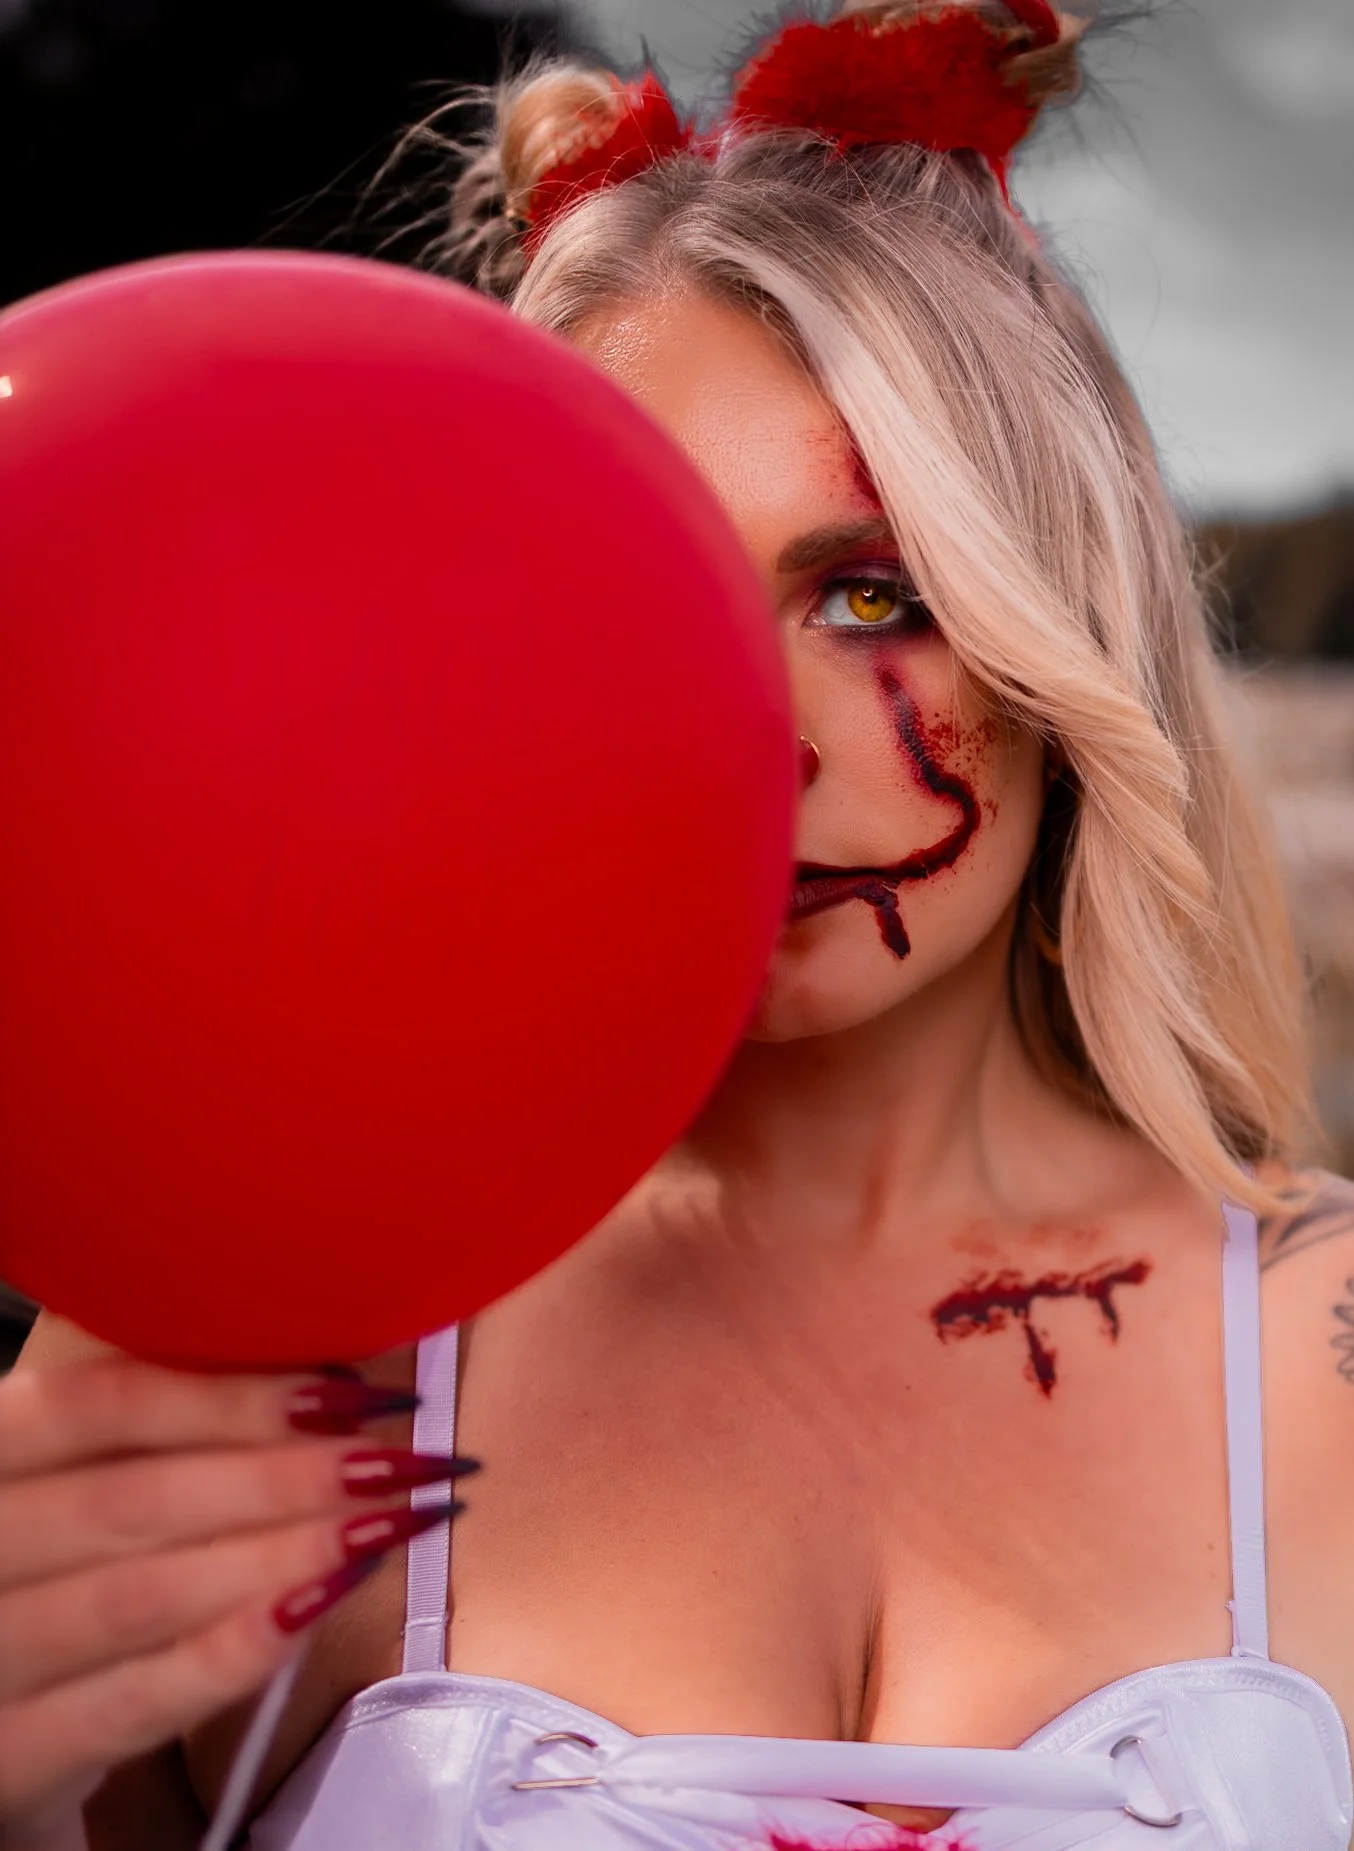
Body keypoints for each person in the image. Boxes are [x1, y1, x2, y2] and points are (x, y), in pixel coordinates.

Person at [3, 3, 1353, 1846]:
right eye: (640, 588)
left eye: (871, 594)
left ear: (1066, 632)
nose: (752, 741)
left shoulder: (1326, 1357)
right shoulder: (288, 1355)